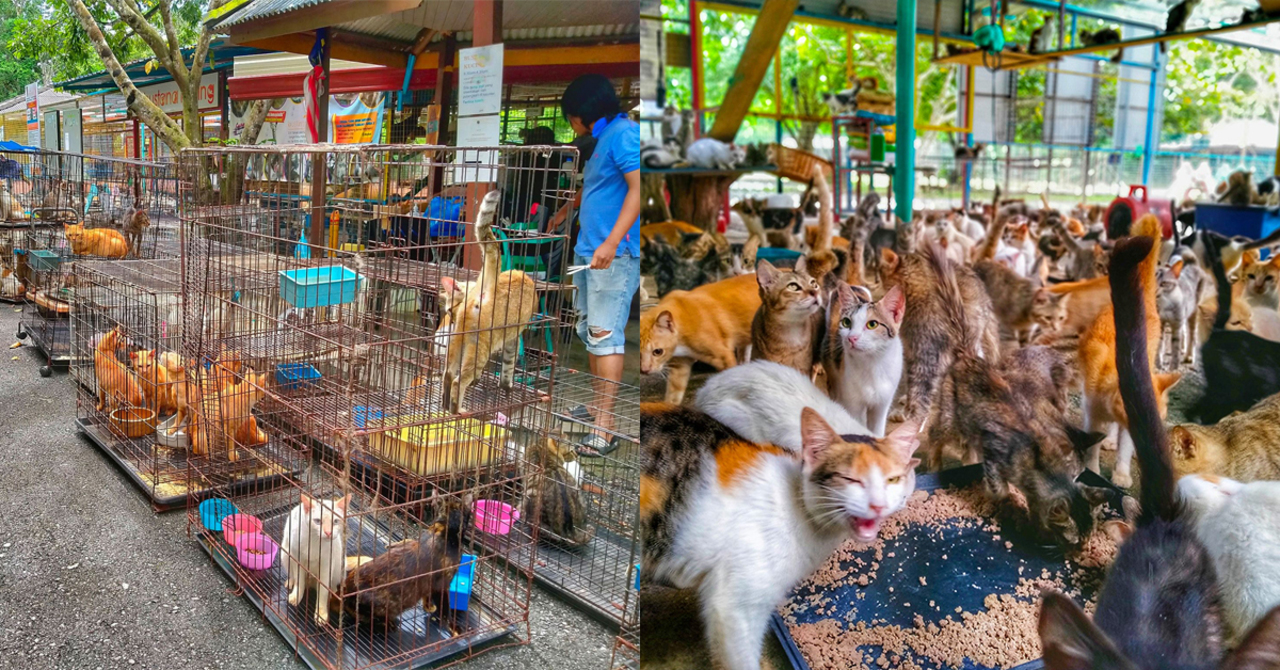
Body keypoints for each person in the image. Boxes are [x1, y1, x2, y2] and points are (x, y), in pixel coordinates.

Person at [557, 74, 640, 455]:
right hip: (590, 251)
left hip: (613, 253)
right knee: (590, 330)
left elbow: (640, 188)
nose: (572, 125)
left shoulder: (624, 134)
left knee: (606, 335)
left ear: (582, 113)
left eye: (572, 117)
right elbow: (600, 188)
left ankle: (605, 427)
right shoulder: (603, 139)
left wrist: (610, 242)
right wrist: (565, 212)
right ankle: (596, 407)